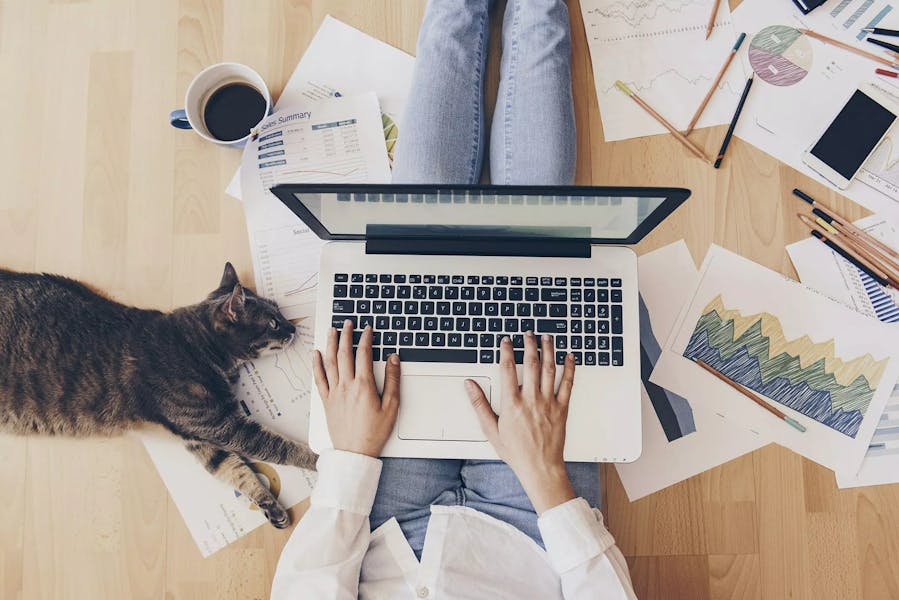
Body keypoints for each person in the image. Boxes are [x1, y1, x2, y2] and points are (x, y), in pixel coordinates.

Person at [271, 0, 637, 597]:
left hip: (382, 531)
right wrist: (547, 477)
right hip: (534, 538)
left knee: (417, 252)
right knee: (538, 257)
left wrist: (351, 460)